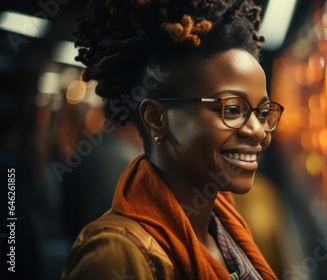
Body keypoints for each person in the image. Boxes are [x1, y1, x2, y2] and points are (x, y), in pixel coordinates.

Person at [61, 0, 284, 279]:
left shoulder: (224, 227)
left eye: (262, 112)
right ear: (156, 118)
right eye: (231, 109)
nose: (258, 131)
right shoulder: (116, 254)